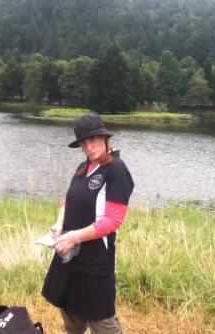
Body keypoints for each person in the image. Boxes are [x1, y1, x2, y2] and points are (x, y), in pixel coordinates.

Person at [42, 113, 134, 334]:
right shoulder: (83, 168)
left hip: (95, 261)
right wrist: (59, 224)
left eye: (93, 140)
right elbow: (68, 201)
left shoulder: (116, 170)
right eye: (84, 142)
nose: (89, 147)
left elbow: (113, 220)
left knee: (102, 322)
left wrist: (73, 236)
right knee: (71, 315)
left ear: (104, 138)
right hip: (69, 255)